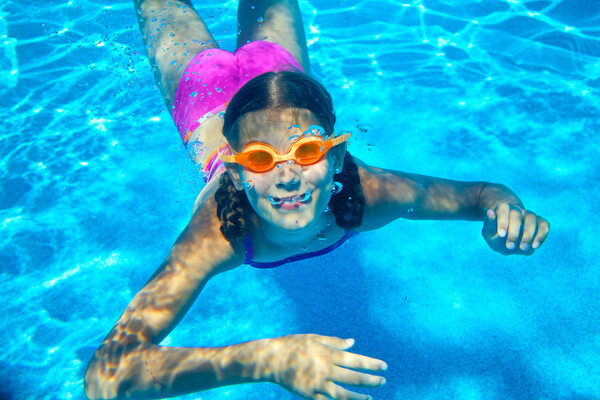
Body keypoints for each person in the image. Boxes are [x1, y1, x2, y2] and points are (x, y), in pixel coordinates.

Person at [83, 0, 550, 399]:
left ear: (337, 153)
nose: (288, 177)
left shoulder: (374, 194)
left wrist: (503, 211)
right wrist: (264, 359)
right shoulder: (217, 233)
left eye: (307, 151)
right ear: (236, 172)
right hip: (200, 89)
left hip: (277, 72)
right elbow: (105, 376)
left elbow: (481, 194)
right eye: (263, 161)